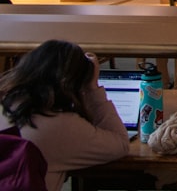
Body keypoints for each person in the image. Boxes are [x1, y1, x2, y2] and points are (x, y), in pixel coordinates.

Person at [0, 40, 129, 191]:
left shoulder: (6, 104)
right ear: (75, 82)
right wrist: (92, 88)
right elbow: (120, 144)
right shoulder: (59, 125)